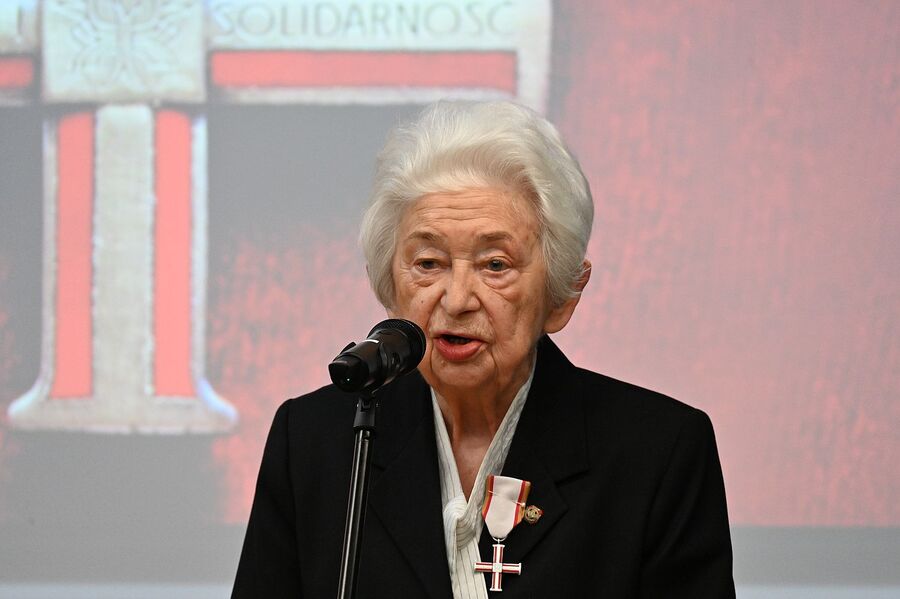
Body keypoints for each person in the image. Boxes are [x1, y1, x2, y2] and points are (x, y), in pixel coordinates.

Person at [232, 100, 735, 598]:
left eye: (495, 265)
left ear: (563, 296)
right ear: (388, 285)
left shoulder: (657, 453)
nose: (456, 300)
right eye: (428, 263)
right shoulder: (315, 442)